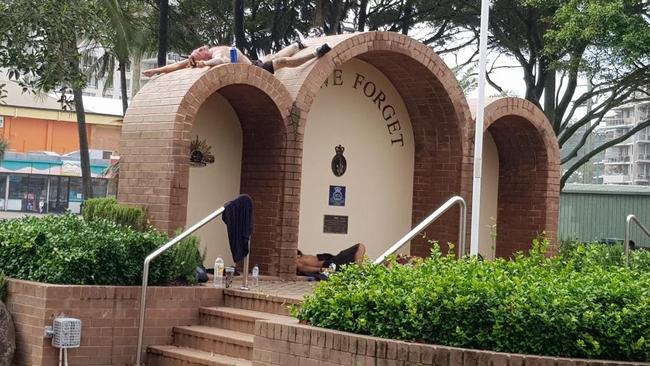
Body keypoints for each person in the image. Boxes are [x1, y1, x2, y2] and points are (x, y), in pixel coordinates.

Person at [143, 34, 331, 77]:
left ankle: (299, 44)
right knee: (281, 61)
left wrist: (155, 70)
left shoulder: (214, 49)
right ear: (201, 58)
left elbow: (173, 66)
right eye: (198, 52)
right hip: (252, 71)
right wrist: (207, 64)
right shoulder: (214, 58)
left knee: (273, 55)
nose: (200, 49)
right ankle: (315, 53)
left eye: (199, 48)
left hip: (253, 63)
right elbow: (221, 61)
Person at [296, 243, 366, 274]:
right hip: (330, 264)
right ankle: (358, 271)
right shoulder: (297, 261)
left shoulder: (302, 256)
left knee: (360, 248)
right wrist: (323, 269)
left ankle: (357, 270)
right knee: (360, 246)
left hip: (332, 260)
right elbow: (303, 268)